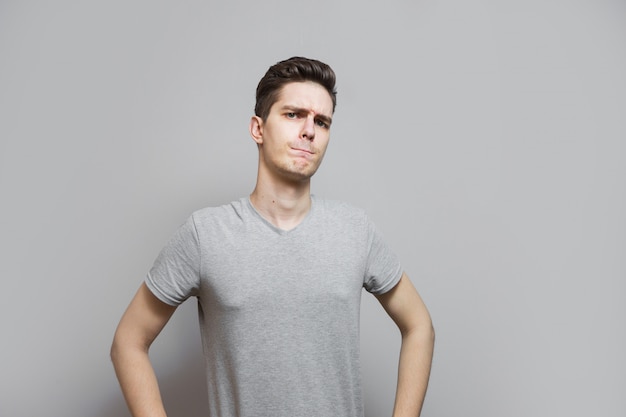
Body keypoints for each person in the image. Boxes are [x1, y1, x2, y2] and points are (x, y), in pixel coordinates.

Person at [110, 56, 434, 417]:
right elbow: (128, 342)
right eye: (293, 114)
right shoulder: (206, 235)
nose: (309, 130)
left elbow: (419, 324)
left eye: (322, 122)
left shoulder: (355, 230)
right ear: (258, 129)